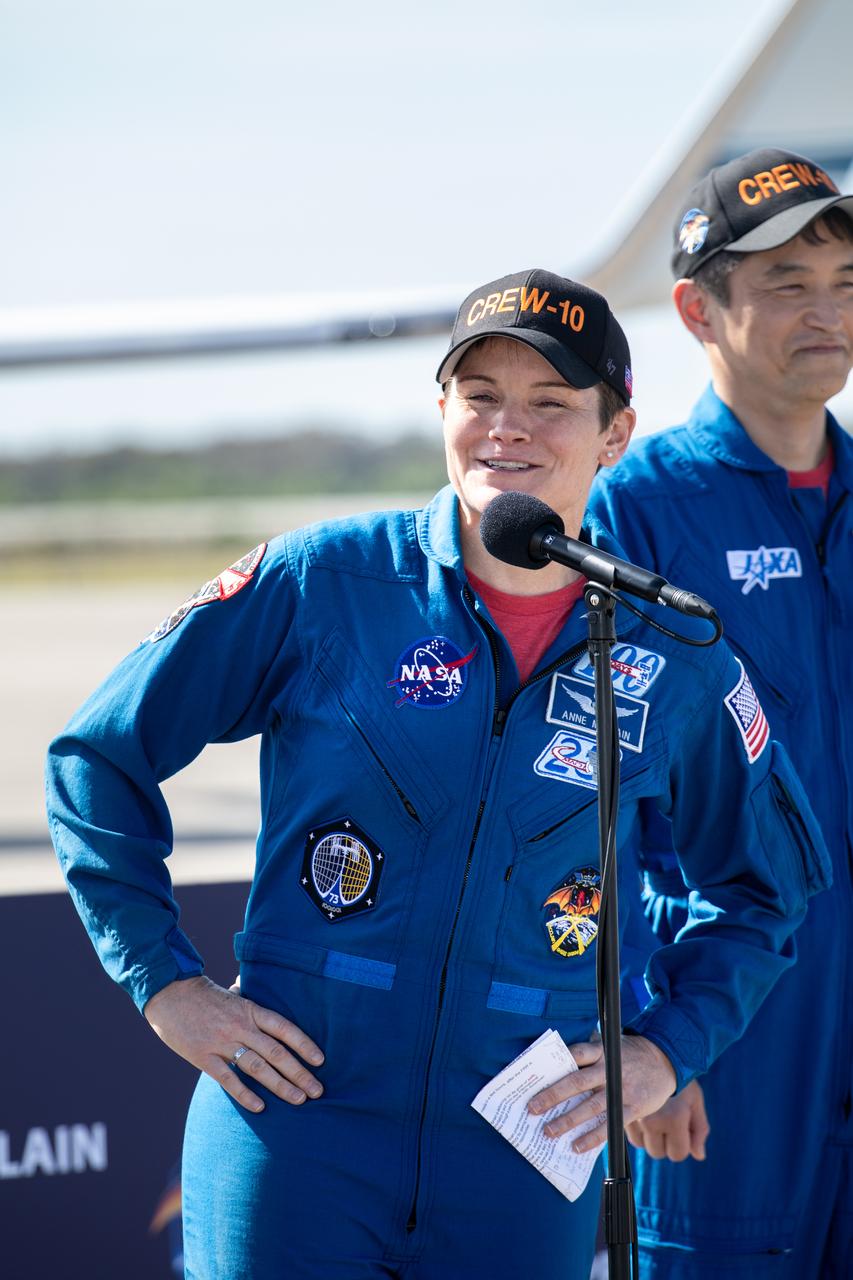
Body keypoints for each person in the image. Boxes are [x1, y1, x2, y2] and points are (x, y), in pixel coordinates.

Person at [46, 268, 830, 1280]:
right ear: (443, 412)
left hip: (521, 1144)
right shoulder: (321, 583)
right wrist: (164, 983)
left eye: (551, 403)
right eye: (481, 397)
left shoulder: (672, 648)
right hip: (294, 1124)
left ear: (614, 434)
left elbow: (765, 890)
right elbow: (97, 756)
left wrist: (665, 1049)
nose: (508, 428)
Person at [589, 148, 853, 1276]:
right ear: (698, 309)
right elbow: (591, 799)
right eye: (788, 282)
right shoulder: (633, 512)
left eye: (843, 281)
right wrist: (654, 1034)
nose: (826, 310)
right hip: (731, 1020)